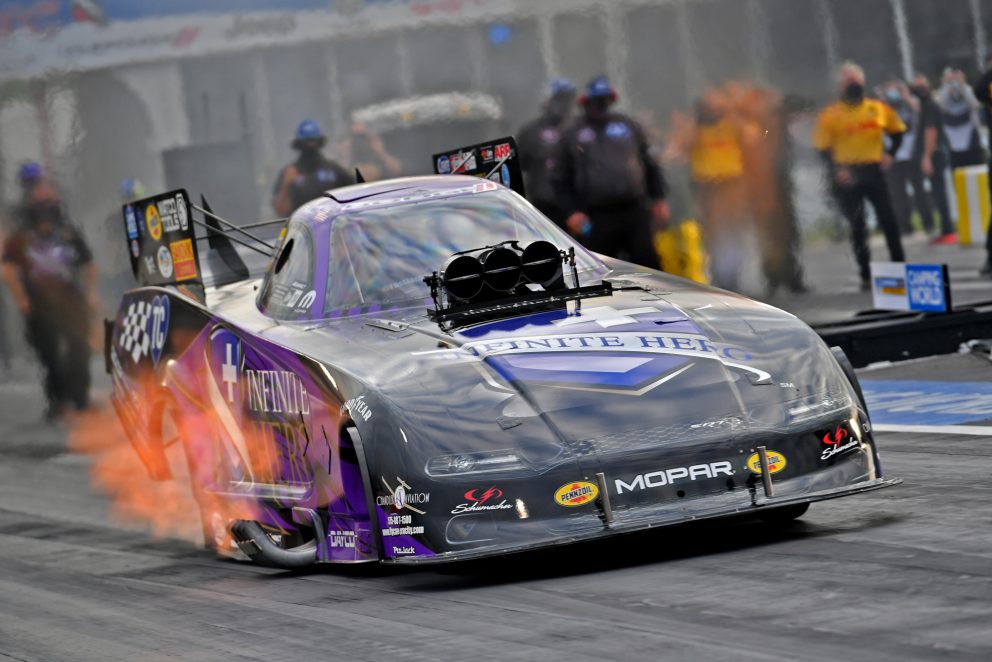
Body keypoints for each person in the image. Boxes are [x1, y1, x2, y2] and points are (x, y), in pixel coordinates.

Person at [1, 181, 97, 419]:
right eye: (40, 202)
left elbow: (88, 264)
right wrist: (21, 297)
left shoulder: (69, 232)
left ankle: (80, 398)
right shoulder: (22, 236)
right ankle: (58, 400)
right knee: (49, 354)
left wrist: (90, 293)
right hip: (39, 303)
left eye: (49, 201)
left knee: (79, 347)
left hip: (70, 299)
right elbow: (8, 267)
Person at [556, 75, 669, 270]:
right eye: (596, 100)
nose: (600, 105)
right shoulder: (573, 133)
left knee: (649, 263)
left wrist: (658, 198)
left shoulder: (627, 125)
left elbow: (649, 163)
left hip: (633, 210)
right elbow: (560, 177)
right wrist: (572, 211)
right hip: (595, 215)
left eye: (604, 99)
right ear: (585, 102)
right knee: (601, 270)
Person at [814, 62, 907, 291]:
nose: (852, 84)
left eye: (855, 80)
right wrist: (837, 170)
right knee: (858, 225)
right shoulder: (831, 114)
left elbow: (898, 132)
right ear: (840, 85)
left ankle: (900, 268)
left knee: (889, 220)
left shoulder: (877, 108)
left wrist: (890, 155)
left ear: (862, 82)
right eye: (847, 80)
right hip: (849, 174)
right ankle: (866, 273)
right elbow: (823, 148)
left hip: (873, 169)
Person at [667, 87, 751, 290]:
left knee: (732, 232)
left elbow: (753, 137)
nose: (712, 111)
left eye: (716, 107)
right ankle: (718, 275)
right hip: (706, 188)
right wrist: (693, 121)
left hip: (732, 185)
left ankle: (733, 277)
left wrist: (730, 111)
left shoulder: (731, 124)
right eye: (708, 107)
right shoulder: (694, 130)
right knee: (711, 234)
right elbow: (674, 152)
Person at [517, 79, 578, 228]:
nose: (563, 104)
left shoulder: (581, 129)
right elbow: (519, 164)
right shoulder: (531, 132)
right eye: (559, 99)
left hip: (578, 208)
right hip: (544, 206)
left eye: (566, 99)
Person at [272, 119, 353, 217]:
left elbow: (355, 196)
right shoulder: (290, 172)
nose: (310, 145)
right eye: (307, 141)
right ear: (298, 143)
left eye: (313, 141)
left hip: (331, 225)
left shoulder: (333, 170)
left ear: (320, 142)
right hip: (301, 227)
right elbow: (280, 211)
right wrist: (286, 184)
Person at [910, 73, 956, 243]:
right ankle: (946, 229)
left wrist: (926, 157)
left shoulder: (930, 106)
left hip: (934, 154)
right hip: (934, 154)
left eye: (921, 86)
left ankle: (947, 230)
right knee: (938, 193)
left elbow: (931, 132)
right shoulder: (925, 106)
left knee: (939, 193)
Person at [879, 79, 928, 236]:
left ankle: (928, 223)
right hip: (893, 157)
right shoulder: (883, 108)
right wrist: (883, 101)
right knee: (898, 195)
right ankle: (905, 226)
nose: (894, 94)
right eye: (890, 91)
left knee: (919, 191)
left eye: (896, 90)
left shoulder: (910, 104)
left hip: (912, 155)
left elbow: (920, 110)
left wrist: (905, 96)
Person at [939, 68, 985, 169]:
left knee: (976, 170)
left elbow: (976, 105)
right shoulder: (943, 91)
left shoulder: (967, 89)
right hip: (952, 140)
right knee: (958, 173)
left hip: (971, 139)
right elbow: (939, 106)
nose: (954, 80)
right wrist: (947, 87)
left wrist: (962, 87)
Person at [335, 122, 402, 182]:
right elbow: (339, 180)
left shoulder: (377, 153)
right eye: (355, 137)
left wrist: (381, 152)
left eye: (363, 136)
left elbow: (397, 171)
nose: (359, 141)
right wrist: (346, 154)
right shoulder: (345, 159)